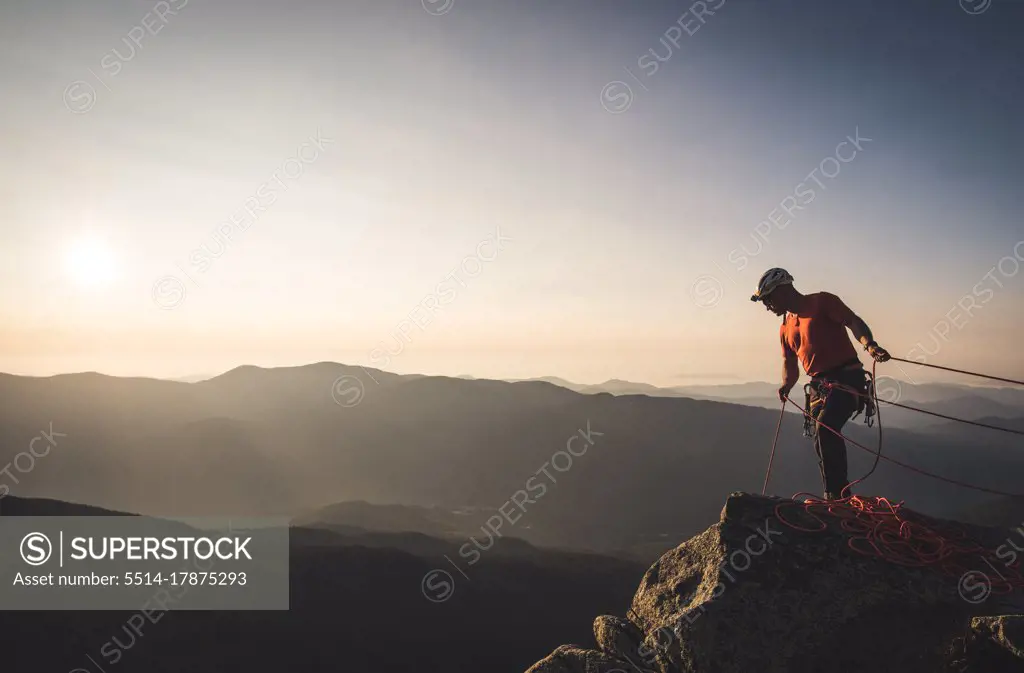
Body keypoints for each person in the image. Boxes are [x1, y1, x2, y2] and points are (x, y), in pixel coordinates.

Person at [750, 268, 891, 500]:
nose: (767, 306)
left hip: (847, 377)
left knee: (825, 428)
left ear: (782, 290)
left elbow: (852, 321)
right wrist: (786, 385)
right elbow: (790, 361)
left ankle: (836, 496)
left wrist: (870, 345)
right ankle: (836, 494)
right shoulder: (785, 328)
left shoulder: (822, 302)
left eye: (768, 299)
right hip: (819, 386)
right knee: (821, 436)